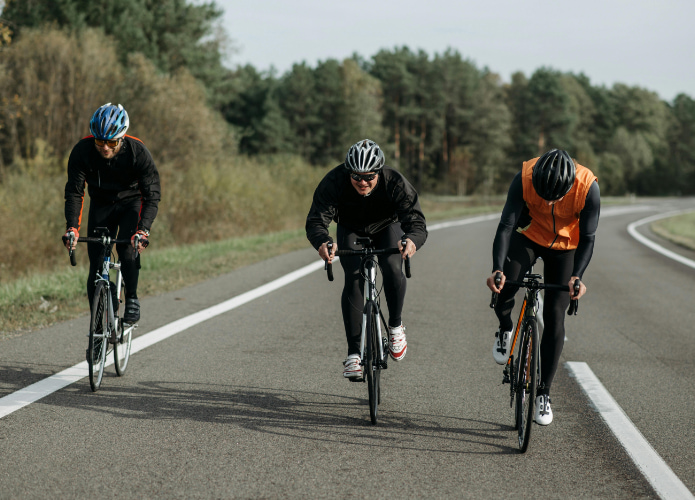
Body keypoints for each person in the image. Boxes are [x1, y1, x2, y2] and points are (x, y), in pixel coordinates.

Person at [486, 149, 599, 425]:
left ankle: (543, 394)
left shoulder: (588, 187)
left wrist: (578, 277)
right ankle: (505, 327)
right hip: (528, 237)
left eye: (554, 197)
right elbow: (505, 226)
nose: (548, 200)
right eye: (543, 194)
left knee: (554, 316)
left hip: (566, 248)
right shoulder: (524, 177)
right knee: (504, 286)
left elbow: (588, 237)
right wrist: (497, 269)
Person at [306, 139, 428, 379]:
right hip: (350, 227)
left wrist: (411, 240)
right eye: (356, 176)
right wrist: (323, 242)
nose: (362, 182)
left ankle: (395, 326)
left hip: (387, 226)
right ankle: (354, 354)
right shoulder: (334, 181)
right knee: (353, 278)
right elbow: (316, 220)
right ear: (347, 172)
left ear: (379, 172)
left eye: (369, 176)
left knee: (393, 266)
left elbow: (416, 222)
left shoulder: (394, 182)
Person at [63, 103, 161, 325]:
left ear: (122, 137)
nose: (105, 148)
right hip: (101, 204)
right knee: (96, 266)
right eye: (100, 141)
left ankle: (132, 297)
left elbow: (152, 196)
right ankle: (97, 328)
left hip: (131, 203)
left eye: (111, 142)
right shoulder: (82, 152)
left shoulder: (139, 153)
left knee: (127, 251)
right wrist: (72, 228)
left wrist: (143, 230)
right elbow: (75, 193)